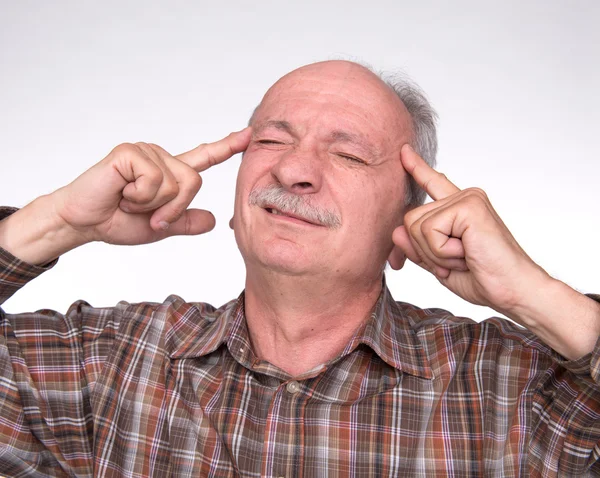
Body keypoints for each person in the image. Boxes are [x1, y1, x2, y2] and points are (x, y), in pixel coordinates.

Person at [0, 60, 598, 477]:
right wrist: (56, 222)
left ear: (407, 230)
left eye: (348, 154)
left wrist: (533, 294)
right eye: (270, 142)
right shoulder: (108, 362)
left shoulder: (511, 392)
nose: (294, 172)